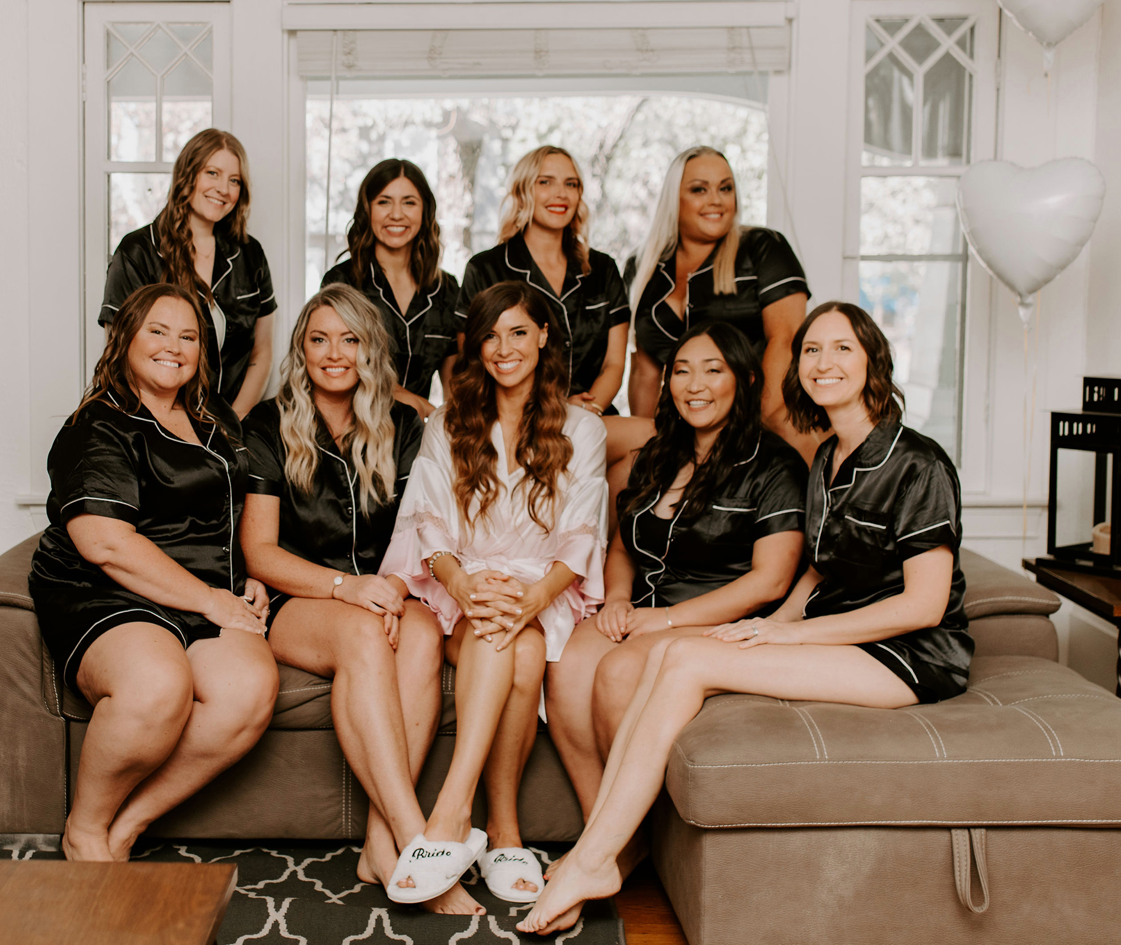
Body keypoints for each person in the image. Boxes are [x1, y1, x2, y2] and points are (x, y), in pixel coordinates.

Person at [520, 301, 971, 935]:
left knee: (684, 653)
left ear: (873, 361)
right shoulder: (829, 460)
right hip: (839, 635)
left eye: (842, 348)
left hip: (913, 657)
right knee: (683, 654)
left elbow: (923, 606)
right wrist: (773, 620)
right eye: (811, 349)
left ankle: (593, 858)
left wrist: (788, 630)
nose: (823, 362)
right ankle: (602, 851)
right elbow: (821, 568)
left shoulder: (918, 462)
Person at [239, 285, 478, 915]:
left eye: (349, 339)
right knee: (364, 635)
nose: (334, 353)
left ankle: (376, 844)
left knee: (424, 634)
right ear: (301, 350)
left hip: (388, 590)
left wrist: (395, 586)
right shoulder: (267, 423)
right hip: (304, 601)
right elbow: (260, 552)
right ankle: (413, 838)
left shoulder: (404, 426)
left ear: (370, 350)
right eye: (318, 339)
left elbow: (421, 527)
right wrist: (350, 589)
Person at [27, 283, 279, 862]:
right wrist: (213, 601)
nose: (174, 346)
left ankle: (128, 824)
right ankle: (85, 828)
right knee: (157, 685)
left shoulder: (212, 416)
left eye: (188, 336)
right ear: (125, 339)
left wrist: (246, 575)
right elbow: (105, 544)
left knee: (249, 691)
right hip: (105, 590)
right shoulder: (98, 424)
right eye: (157, 332)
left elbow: (230, 508)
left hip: (199, 589)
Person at [379, 281, 607, 908]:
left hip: (544, 588)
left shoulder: (584, 428)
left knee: (524, 643)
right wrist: (464, 584)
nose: (503, 347)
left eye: (517, 332)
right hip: (461, 582)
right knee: (504, 636)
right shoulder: (448, 421)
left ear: (542, 338)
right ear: (474, 346)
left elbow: (581, 535)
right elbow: (428, 524)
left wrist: (530, 599)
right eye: (489, 334)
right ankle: (492, 828)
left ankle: (459, 818)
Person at [543, 321, 805, 816]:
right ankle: (605, 823)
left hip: (720, 622)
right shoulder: (659, 453)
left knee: (619, 672)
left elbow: (768, 581)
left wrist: (663, 621)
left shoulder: (775, 465)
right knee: (566, 664)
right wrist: (618, 598)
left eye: (713, 370)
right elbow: (623, 546)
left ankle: (621, 831)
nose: (694, 384)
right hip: (644, 609)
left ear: (744, 380)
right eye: (681, 371)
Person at [459, 146, 651, 463]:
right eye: (545, 182)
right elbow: (470, 360)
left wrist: (588, 409)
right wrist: (551, 409)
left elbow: (615, 364)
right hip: (514, 418)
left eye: (571, 184)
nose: (560, 194)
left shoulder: (602, 269)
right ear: (523, 190)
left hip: (591, 412)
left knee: (654, 440)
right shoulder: (486, 268)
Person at [625, 146, 816, 461]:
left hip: (761, 410)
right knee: (618, 457)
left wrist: (755, 420)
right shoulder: (642, 264)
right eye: (700, 189)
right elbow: (646, 369)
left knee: (791, 447)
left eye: (725, 188)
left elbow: (785, 340)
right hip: (681, 420)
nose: (716, 200)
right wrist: (646, 445)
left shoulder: (764, 247)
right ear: (674, 198)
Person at [101, 128, 276, 419]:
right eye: (212, 173)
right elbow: (120, 352)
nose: (224, 188)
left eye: (234, 180)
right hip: (156, 424)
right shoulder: (138, 251)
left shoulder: (250, 253)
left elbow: (262, 351)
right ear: (187, 175)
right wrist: (172, 430)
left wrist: (233, 423)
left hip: (233, 424)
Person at [322, 159, 461, 420]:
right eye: (384, 202)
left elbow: (454, 381)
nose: (396, 214)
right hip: (354, 427)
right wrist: (411, 400)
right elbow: (340, 365)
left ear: (425, 210)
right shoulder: (342, 281)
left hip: (419, 436)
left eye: (409, 202)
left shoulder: (447, 288)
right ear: (368, 209)